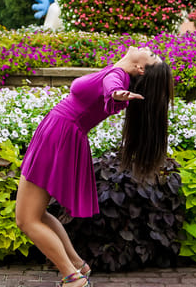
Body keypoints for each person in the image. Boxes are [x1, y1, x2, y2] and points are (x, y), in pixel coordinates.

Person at [15, 46, 173, 287]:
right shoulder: (118, 71)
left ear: (140, 68)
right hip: (59, 134)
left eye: (151, 56)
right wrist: (116, 93)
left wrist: (116, 93)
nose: (148, 48)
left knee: (26, 220)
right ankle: (78, 266)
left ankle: (73, 278)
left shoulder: (119, 77)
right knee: (37, 215)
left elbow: (112, 85)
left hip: (59, 136)